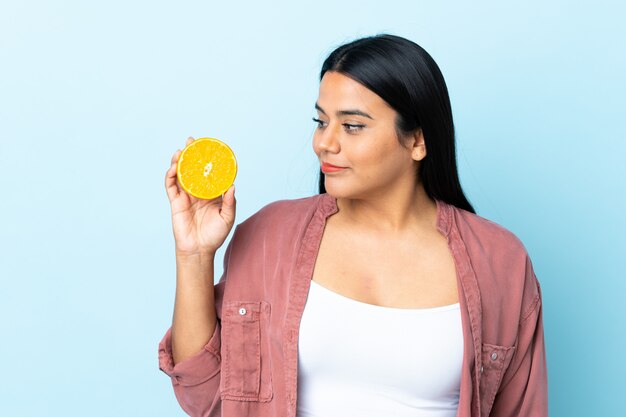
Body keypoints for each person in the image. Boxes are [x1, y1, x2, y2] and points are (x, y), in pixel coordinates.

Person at [158, 34, 548, 417]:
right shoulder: (269, 236)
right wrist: (194, 255)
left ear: (417, 141)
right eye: (321, 121)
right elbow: (203, 396)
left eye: (352, 126)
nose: (324, 143)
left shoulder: (500, 262)